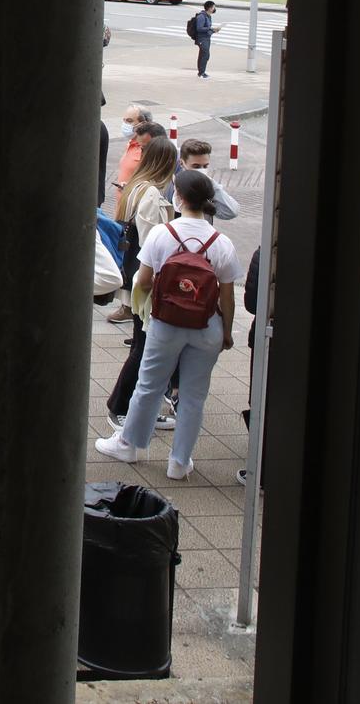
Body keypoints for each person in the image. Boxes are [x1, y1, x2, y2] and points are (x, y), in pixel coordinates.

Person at [95, 169, 240, 479]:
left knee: (149, 385)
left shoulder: (163, 234)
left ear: (179, 198)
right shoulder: (222, 242)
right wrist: (226, 332)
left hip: (165, 324)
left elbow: (143, 281)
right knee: (193, 395)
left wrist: (151, 310)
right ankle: (179, 461)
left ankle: (130, 445)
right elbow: (227, 297)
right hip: (207, 326)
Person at [105, 135, 182, 428]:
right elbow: (153, 242)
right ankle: (121, 407)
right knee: (144, 345)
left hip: (137, 272)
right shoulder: (150, 193)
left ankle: (137, 408)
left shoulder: (135, 186)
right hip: (146, 276)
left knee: (144, 343)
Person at [175, 139, 242, 220]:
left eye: (205, 166)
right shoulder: (172, 186)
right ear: (182, 163)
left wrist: (211, 185)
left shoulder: (207, 187)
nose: (201, 170)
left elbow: (231, 212)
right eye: (196, 167)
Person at [193, 0, 220, 78]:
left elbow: (207, 28)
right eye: (214, 7)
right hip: (202, 39)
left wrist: (214, 30)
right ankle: (201, 73)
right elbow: (199, 28)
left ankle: (201, 72)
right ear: (209, 8)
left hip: (207, 38)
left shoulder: (208, 16)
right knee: (205, 55)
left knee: (204, 55)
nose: (214, 9)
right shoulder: (202, 16)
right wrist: (210, 28)